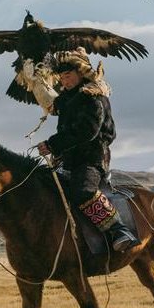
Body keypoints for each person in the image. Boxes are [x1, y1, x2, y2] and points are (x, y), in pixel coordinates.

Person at [36, 48, 139, 252]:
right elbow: (50, 103)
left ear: (81, 73)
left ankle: (119, 231)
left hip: (91, 159)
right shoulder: (67, 99)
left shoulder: (93, 97)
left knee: (83, 192)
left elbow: (87, 131)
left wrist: (52, 144)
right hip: (67, 160)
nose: (64, 81)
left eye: (68, 76)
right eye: (61, 78)